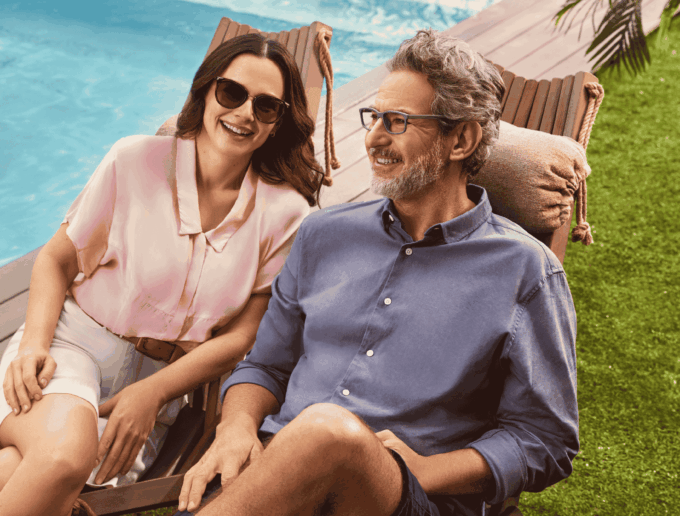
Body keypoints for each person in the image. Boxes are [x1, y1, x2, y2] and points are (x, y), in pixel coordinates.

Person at [175, 29, 579, 516]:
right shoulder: (322, 234)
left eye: (398, 121)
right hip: (273, 477)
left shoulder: (525, 272)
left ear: (461, 139)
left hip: (404, 498)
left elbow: (545, 438)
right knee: (322, 430)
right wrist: (236, 428)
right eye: (374, 117)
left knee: (328, 428)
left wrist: (429, 470)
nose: (374, 138)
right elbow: (265, 366)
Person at [0, 33, 324, 516]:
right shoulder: (134, 160)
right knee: (65, 458)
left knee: (19, 469)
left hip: (162, 387)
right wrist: (33, 345)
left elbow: (242, 337)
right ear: (205, 91)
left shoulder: (286, 213)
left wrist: (153, 392)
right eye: (231, 92)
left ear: (279, 120)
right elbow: (56, 260)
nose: (244, 114)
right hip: (71, 348)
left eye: (265, 105)